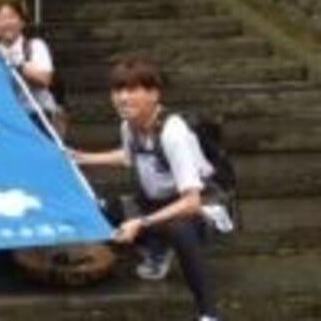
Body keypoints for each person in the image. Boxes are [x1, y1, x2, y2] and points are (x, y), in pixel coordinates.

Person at [70, 58, 222, 321]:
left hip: (201, 207)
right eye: (118, 90)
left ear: (154, 94)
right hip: (154, 203)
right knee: (100, 209)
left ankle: (209, 313)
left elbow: (192, 202)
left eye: (132, 90)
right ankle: (156, 248)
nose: (122, 98)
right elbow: (128, 156)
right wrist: (82, 158)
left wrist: (140, 223)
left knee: (180, 229)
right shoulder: (128, 125)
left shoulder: (173, 132)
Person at [0, 2, 60, 128]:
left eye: (11, 17)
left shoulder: (35, 46)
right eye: (2, 18)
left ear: (22, 23)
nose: (7, 22)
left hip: (37, 116)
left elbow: (45, 80)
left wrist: (17, 64)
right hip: (6, 118)